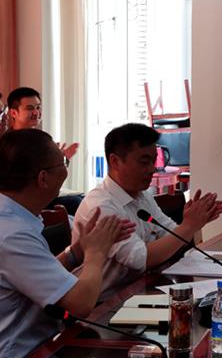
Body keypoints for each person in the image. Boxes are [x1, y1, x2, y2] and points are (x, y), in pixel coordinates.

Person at [0, 129, 134, 356]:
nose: (66, 169)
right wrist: (96, 253)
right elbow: (81, 304)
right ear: (43, 178)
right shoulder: (13, 234)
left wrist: (77, 251)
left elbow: (35, 276)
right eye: (63, 162)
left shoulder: (13, 220)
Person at [72, 123, 222, 299]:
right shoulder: (101, 206)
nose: (152, 169)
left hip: (140, 291)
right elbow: (141, 260)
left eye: (154, 161)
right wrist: (188, 227)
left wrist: (193, 222)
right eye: (144, 162)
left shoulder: (142, 196)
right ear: (115, 162)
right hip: (103, 304)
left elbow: (170, 234)